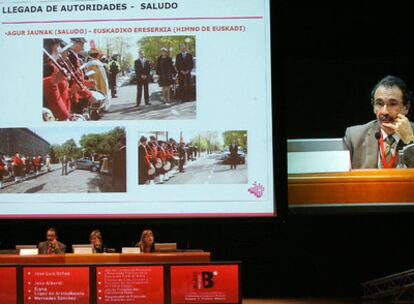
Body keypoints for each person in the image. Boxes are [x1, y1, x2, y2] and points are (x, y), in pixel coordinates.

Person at [344, 75, 414, 168]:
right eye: (379, 104)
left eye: (393, 104)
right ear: (374, 107)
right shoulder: (354, 138)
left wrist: (410, 141)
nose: (384, 111)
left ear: (406, 108)